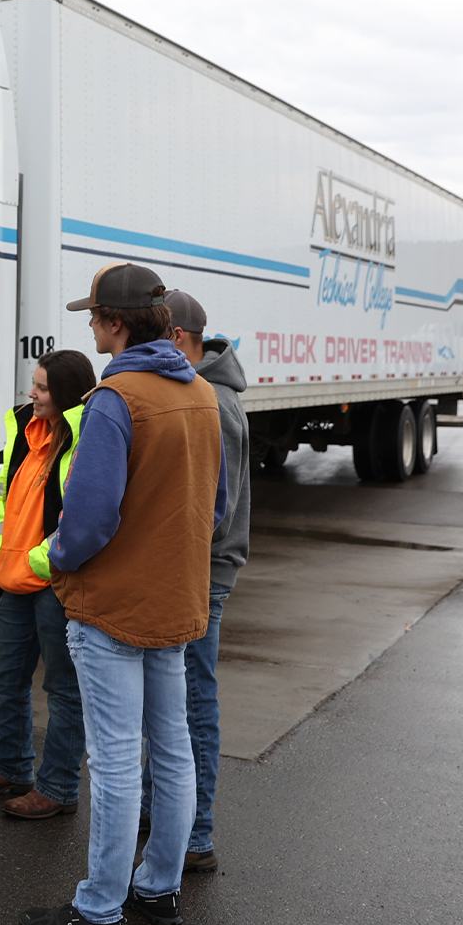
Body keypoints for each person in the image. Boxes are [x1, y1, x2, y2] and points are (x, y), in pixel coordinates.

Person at [20, 263, 225, 925]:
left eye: (93, 317)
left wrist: (57, 559)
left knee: (111, 764)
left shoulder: (115, 399)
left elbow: (90, 519)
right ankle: (158, 887)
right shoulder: (201, 394)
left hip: (112, 608)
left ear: (114, 323)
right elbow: (215, 510)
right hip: (175, 602)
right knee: (173, 751)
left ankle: (99, 911)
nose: (90, 327)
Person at [0, 349, 96, 820]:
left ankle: (57, 788)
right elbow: (4, 498)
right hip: (16, 579)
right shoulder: (23, 429)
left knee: (63, 689)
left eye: (40, 387)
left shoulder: (85, 437)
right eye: (32, 385)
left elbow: (83, 515)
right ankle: (12, 769)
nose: (31, 394)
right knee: (6, 678)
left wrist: (40, 562)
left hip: (54, 581)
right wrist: (0, 554)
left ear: (65, 394)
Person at [161, 289, 250, 874]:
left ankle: (196, 834)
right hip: (188, 573)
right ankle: (167, 816)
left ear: (176, 340)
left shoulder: (213, 401)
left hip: (201, 576)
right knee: (173, 702)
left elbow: (215, 514)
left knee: (192, 701)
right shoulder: (201, 392)